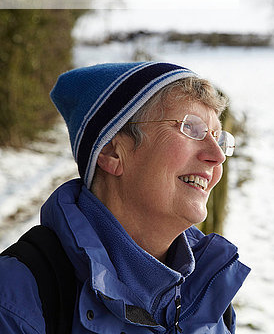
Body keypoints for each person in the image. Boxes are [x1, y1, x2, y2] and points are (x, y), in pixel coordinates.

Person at [0, 62, 250, 333]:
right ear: (112, 152)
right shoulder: (17, 298)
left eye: (218, 137)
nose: (217, 156)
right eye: (191, 128)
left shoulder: (208, 292)